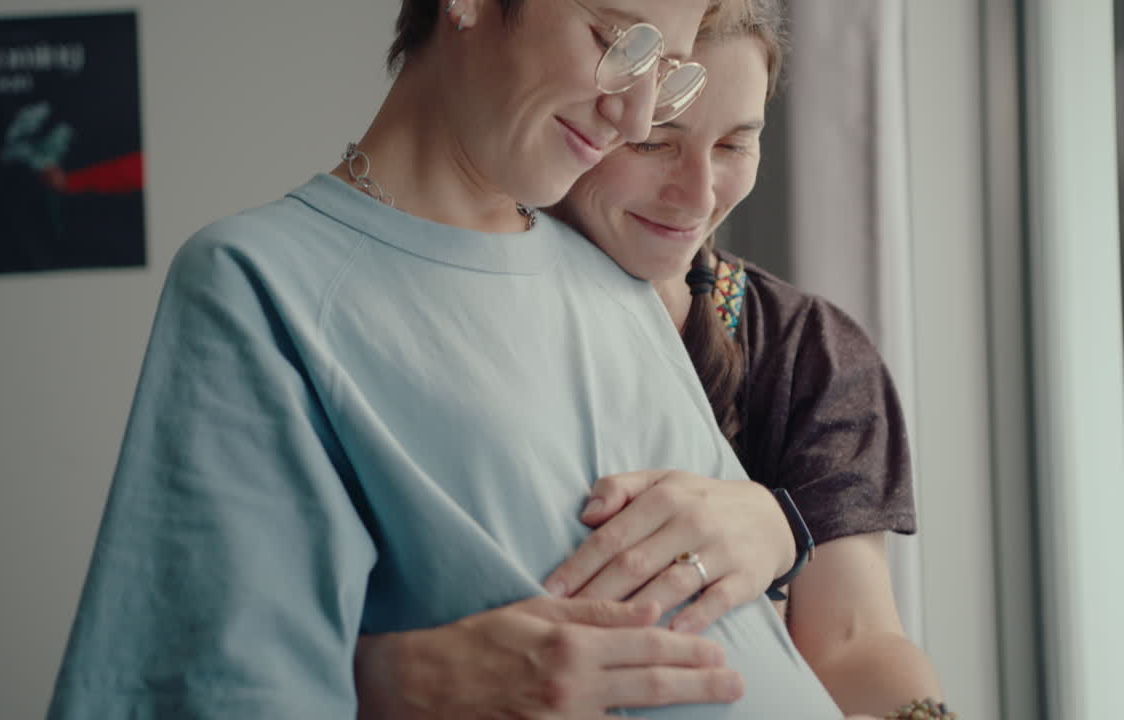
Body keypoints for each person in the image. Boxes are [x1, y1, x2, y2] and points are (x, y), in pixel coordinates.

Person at [46, 1, 849, 718]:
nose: (636, 113)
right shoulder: (261, 283)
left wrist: (778, 529)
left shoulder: (615, 281)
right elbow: (216, 687)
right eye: (615, 40)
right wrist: (390, 688)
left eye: (664, 70)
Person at [353, 2, 950, 718]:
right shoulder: (429, 312)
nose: (697, 196)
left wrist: (777, 525)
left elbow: (854, 642)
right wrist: (381, 674)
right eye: (656, 143)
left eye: (735, 145)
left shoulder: (807, 351)